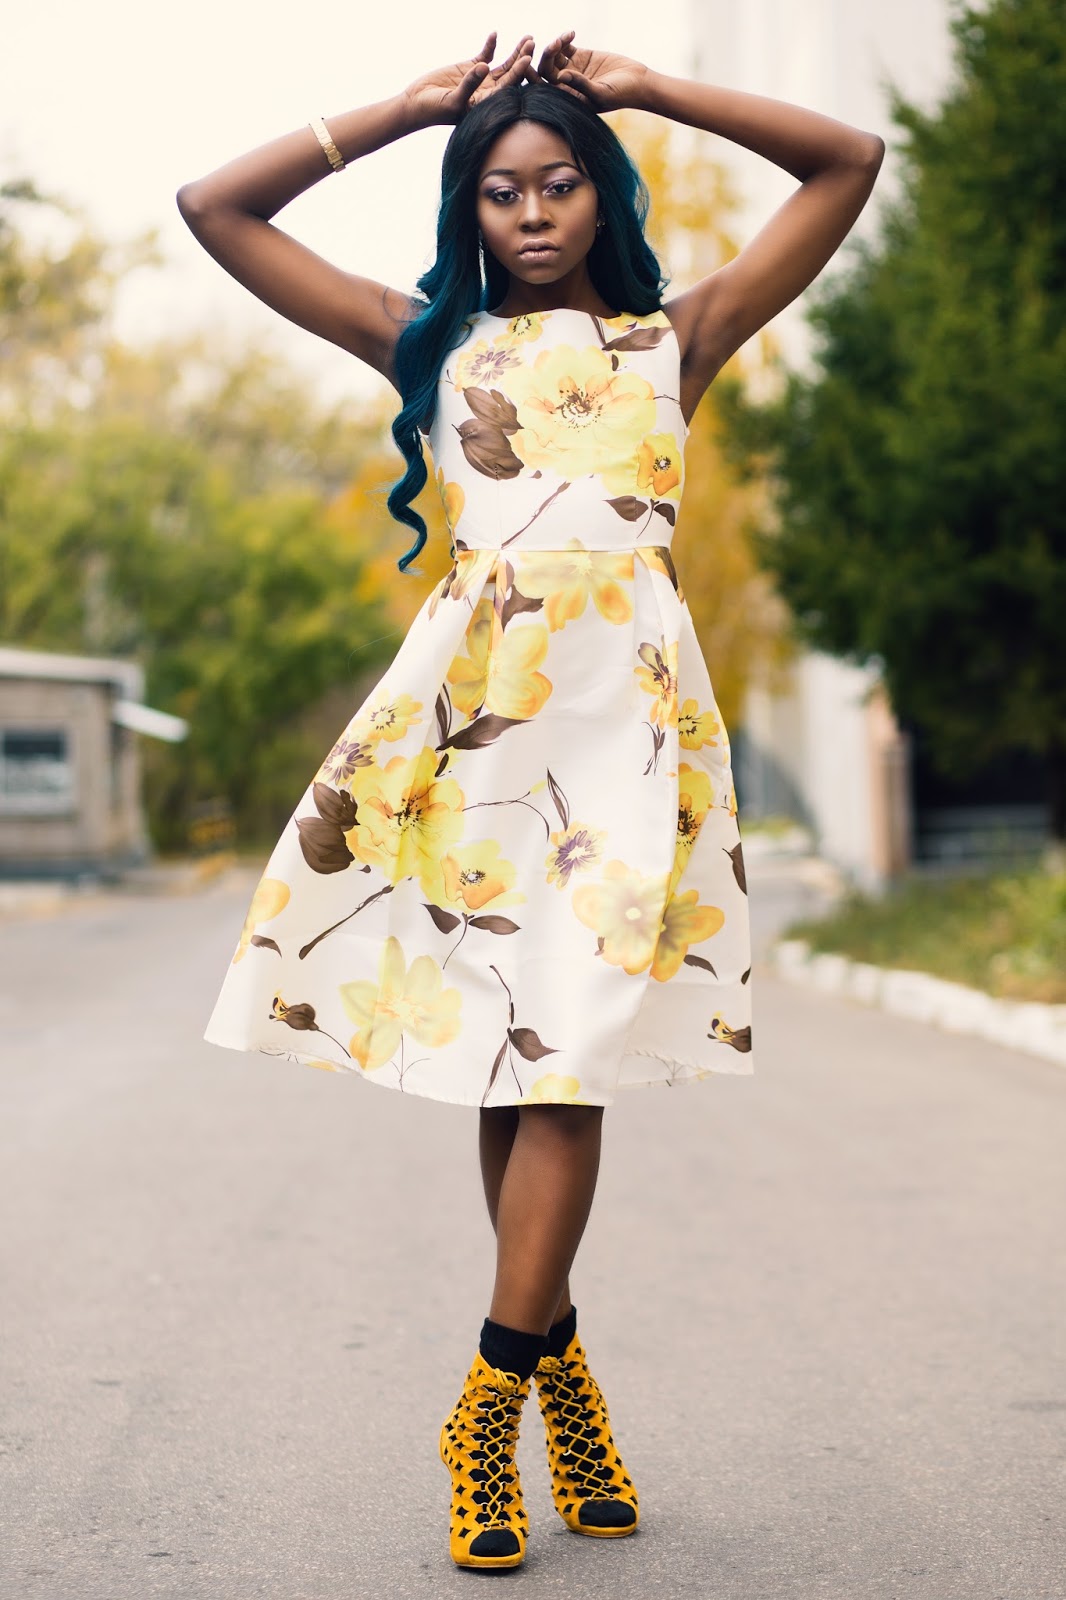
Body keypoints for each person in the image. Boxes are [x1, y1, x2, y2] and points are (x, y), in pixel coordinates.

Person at [177, 30, 883, 1573]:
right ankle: (553, 1383)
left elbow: (848, 163)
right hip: (475, 739)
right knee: (518, 1059)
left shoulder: (672, 338)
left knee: (558, 1063)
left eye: (560, 182)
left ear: (598, 188)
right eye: (499, 192)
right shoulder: (426, 342)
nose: (535, 213)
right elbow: (214, 208)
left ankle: (492, 1400)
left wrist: (653, 88)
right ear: (470, 209)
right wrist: (406, 107)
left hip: (624, 748)